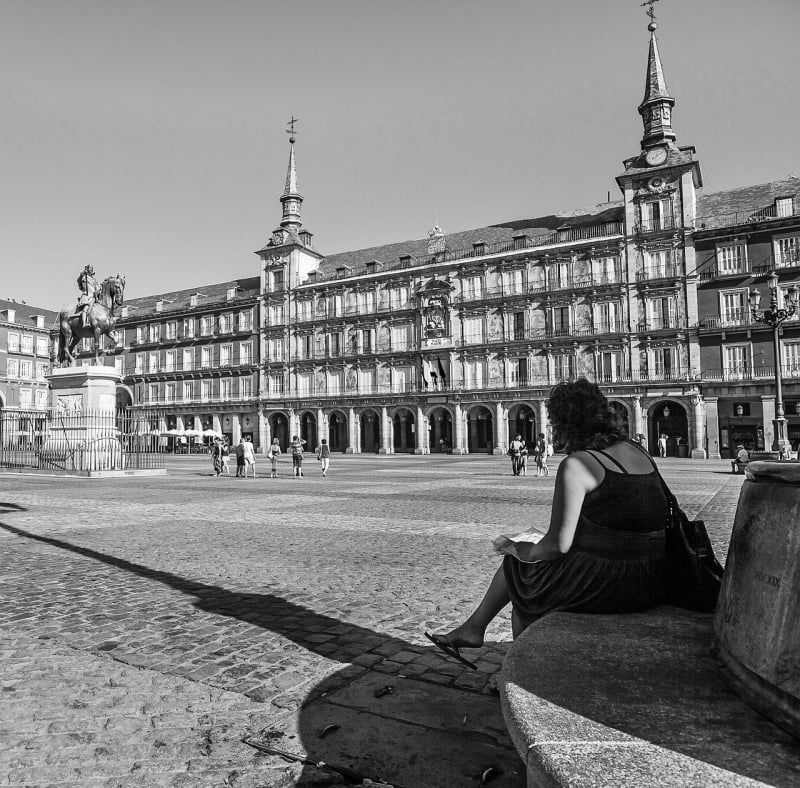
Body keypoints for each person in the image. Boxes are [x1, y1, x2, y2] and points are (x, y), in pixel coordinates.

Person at [424, 378, 668, 669]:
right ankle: (474, 629)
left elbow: (557, 546)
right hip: (653, 572)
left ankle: (518, 671)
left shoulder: (579, 464)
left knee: (522, 580)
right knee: (524, 568)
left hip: (613, 580)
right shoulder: (638, 452)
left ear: (566, 423)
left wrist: (519, 549)